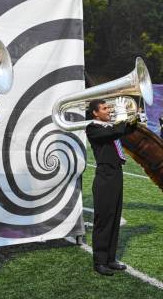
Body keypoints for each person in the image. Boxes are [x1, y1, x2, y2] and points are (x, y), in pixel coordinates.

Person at [86, 98, 137, 276]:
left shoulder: (109, 127)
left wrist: (131, 116)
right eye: (105, 108)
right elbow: (116, 132)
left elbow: (127, 129)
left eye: (109, 107)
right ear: (95, 113)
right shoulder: (93, 128)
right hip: (105, 177)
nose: (109, 110)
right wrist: (121, 116)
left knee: (114, 218)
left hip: (116, 174)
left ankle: (110, 259)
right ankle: (99, 262)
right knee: (104, 219)